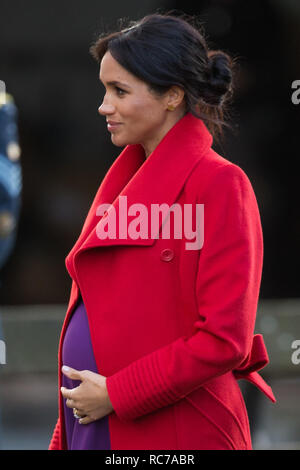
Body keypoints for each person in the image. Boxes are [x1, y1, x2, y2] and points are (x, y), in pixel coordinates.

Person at [49, 12, 276, 451]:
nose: (103, 105)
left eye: (119, 91)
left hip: (177, 432)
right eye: (104, 89)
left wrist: (118, 394)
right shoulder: (122, 180)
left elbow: (224, 339)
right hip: (94, 426)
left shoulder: (221, 185)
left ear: (172, 96)